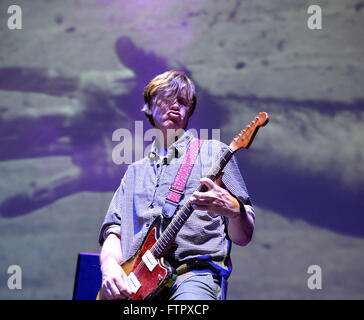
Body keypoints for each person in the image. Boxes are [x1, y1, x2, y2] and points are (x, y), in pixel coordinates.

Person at [98, 70, 255, 300]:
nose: (174, 106)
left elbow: (243, 236)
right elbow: (114, 233)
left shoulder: (213, 153)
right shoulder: (133, 172)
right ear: (149, 108)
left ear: (188, 112)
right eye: (166, 98)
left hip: (191, 276)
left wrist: (234, 210)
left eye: (182, 102)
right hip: (136, 287)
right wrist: (109, 267)